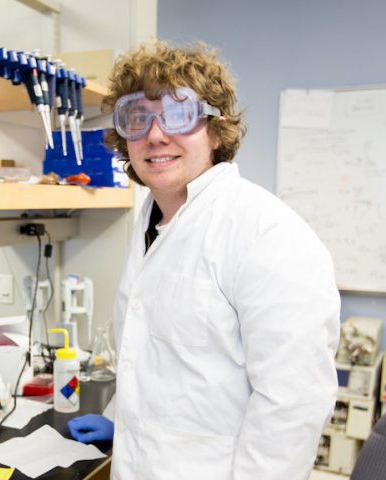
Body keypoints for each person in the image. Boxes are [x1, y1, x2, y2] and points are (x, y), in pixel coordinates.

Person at [67, 40, 340, 480]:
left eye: (179, 114)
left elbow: (293, 405)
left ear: (216, 131)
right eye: (137, 117)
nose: (156, 135)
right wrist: (120, 419)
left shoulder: (267, 233)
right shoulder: (151, 223)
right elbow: (161, 361)